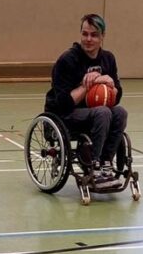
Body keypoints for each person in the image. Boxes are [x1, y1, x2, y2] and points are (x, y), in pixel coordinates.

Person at [44, 14, 127, 186]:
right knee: (103, 112)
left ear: (102, 37)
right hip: (63, 114)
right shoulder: (67, 60)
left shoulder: (108, 59)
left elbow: (116, 98)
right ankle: (93, 167)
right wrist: (86, 85)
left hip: (93, 114)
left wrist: (111, 85)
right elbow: (64, 104)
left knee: (120, 112)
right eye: (85, 34)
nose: (88, 39)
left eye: (94, 35)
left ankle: (105, 163)